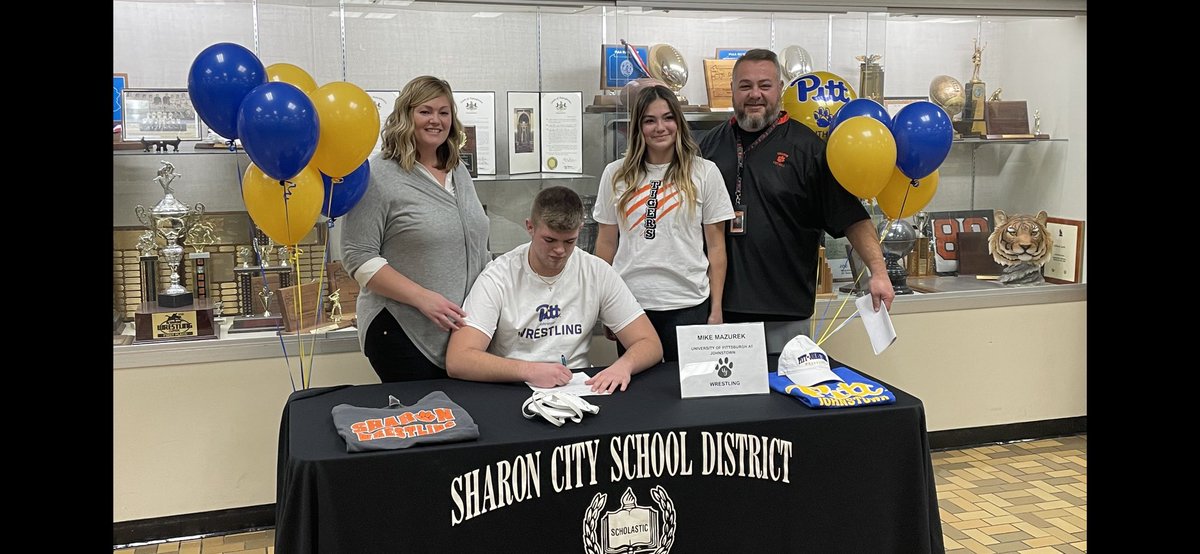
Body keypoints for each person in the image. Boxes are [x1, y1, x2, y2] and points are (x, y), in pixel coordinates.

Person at [697, 48, 894, 352]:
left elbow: (851, 217)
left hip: (784, 312)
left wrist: (878, 272)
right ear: (732, 89)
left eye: (765, 85)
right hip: (718, 310)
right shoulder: (709, 145)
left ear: (779, 89)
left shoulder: (808, 149)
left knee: (784, 383)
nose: (755, 94)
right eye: (745, 85)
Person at [341, 75, 491, 382]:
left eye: (444, 112)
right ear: (405, 116)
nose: (436, 120)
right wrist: (422, 298)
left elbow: (476, 241)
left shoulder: (458, 170)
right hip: (400, 329)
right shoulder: (378, 175)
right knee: (427, 413)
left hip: (461, 333)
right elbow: (358, 256)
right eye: (425, 111)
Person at [446, 186, 662, 393]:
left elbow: (650, 343)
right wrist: (528, 371)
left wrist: (623, 366)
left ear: (580, 230)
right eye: (549, 240)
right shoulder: (498, 276)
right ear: (530, 227)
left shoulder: (596, 271)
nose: (559, 250)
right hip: (514, 386)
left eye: (569, 241)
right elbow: (458, 359)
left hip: (577, 387)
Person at [593, 84, 734, 362]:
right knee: (638, 385)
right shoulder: (615, 174)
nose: (660, 127)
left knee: (683, 384)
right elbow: (606, 244)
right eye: (649, 120)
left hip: (688, 302)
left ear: (679, 122)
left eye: (668, 118)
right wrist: (605, 306)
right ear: (638, 127)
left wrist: (716, 308)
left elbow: (717, 248)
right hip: (630, 304)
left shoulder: (705, 172)